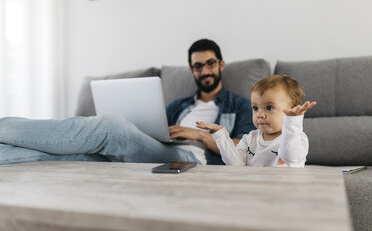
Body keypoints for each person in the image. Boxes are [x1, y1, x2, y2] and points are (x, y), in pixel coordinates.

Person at [0, 39, 255, 165]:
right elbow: (156, 128)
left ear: (220, 65)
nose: (205, 70)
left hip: (194, 158)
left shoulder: (239, 104)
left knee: (110, 127)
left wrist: (198, 135)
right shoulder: (180, 105)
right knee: (86, 154)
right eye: (198, 66)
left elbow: (243, 148)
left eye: (210, 63)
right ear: (191, 70)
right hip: (159, 149)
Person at [196, 74, 317, 167]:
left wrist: (292, 121)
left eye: (269, 108)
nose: (260, 114)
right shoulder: (249, 139)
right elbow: (236, 165)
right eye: (255, 108)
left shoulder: (297, 138)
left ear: (292, 109)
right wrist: (221, 135)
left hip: (285, 191)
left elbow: (290, 157)